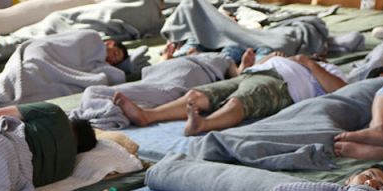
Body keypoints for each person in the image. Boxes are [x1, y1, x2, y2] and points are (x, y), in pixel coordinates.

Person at [114, 49, 347, 135]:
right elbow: (245, 72)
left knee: (240, 101)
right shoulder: (289, 58)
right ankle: (147, 115)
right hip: (251, 74)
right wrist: (260, 60)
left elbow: (343, 92)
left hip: (282, 86)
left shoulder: (328, 68)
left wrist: (308, 62)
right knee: (196, 96)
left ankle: (204, 125)